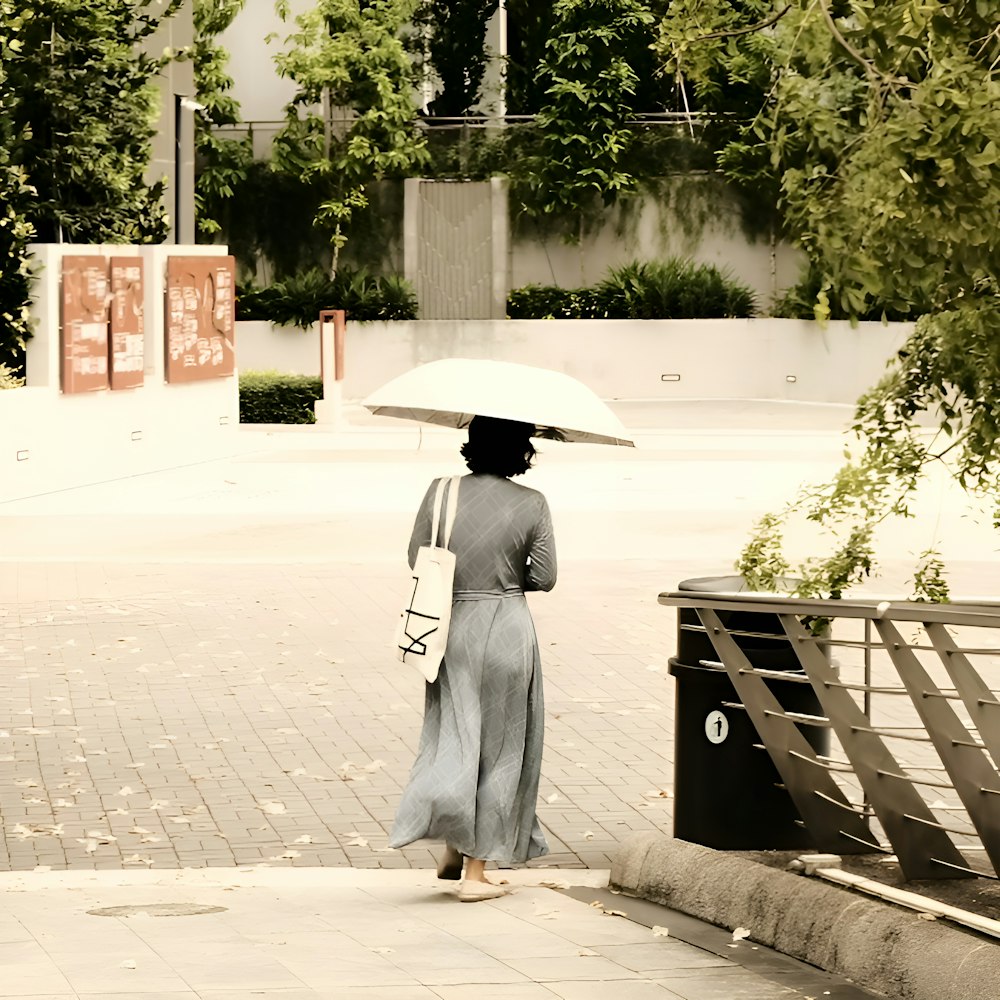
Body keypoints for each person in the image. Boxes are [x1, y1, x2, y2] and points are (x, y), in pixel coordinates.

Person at [388, 415, 557, 902]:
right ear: (521, 449)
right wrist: (504, 580)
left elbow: (416, 557)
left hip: (449, 626)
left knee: (454, 734)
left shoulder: (439, 491)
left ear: (472, 443)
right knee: (502, 747)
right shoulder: (532, 504)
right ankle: (476, 874)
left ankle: (452, 845)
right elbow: (544, 576)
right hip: (506, 627)